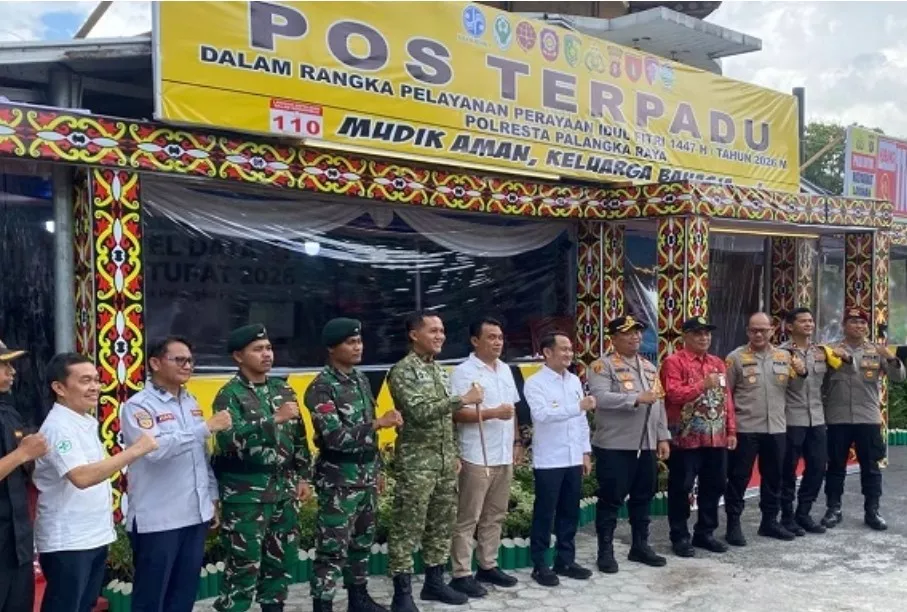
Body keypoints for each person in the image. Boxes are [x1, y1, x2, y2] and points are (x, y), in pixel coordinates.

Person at [34, 352, 158, 612]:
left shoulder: (85, 421)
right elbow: (82, 476)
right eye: (85, 381)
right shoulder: (58, 427)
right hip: (68, 541)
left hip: (93, 536)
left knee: (84, 606)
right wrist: (135, 450)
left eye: (97, 380)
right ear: (59, 388)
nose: (95, 387)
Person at [120, 336, 233, 612]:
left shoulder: (191, 401)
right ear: (155, 363)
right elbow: (154, 450)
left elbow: (200, 456)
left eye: (190, 360)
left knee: (183, 597)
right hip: (159, 519)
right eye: (179, 359)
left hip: (194, 514)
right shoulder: (138, 406)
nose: (187, 366)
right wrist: (204, 428)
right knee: (151, 599)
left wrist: (212, 498)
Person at [211, 324, 312, 612]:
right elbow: (227, 440)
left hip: (282, 491)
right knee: (244, 566)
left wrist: (303, 477)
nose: (266, 354)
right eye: (258, 349)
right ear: (238, 356)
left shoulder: (283, 389)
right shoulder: (228, 394)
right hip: (246, 496)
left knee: (281, 562)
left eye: (268, 348)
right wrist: (272, 421)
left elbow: (299, 437)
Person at [386, 312, 483, 612]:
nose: (440, 336)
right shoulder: (402, 371)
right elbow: (418, 411)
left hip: (442, 463)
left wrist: (452, 453)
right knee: (407, 526)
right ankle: (402, 594)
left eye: (442, 330)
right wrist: (462, 399)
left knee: (441, 525)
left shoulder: (440, 372)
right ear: (414, 335)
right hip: (417, 464)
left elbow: (446, 421)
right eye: (433, 331)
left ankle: (434, 582)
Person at [306, 319, 403, 612]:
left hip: (366, 475)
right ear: (332, 348)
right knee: (332, 549)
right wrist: (378, 423)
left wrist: (379, 470)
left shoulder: (360, 380)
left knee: (361, 542)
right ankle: (322, 604)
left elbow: (369, 440)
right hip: (339, 479)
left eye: (359, 341)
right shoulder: (321, 388)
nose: (357, 347)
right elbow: (334, 437)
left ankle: (358, 599)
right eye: (350, 342)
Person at [587, 316, 670, 574]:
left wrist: (663, 436)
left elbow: (659, 403)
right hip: (615, 444)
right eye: (628, 333)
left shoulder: (648, 367)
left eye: (637, 333)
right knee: (611, 499)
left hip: (645, 444)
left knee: (643, 497)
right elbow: (599, 398)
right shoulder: (602, 366)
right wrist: (634, 398)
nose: (635, 337)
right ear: (613, 338)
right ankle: (606, 551)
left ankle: (640, 545)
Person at [448, 318, 521, 598]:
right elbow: (456, 413)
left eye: (500, 337)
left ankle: (487, 565)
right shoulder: (464, 372)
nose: (497, 342)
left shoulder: (504, 369)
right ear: (475, 341)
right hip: (476, 454)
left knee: (495, 514)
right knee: (468, 517)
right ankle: (461, 573)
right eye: (491, 337)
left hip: (502, 453)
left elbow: (511, 410)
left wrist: (516, 441)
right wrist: (492, 413)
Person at [724, 312, 806, 545]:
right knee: (739, 478)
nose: (758, 334)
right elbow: (725, 395)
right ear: (747, 331)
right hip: (745, 428)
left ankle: (769, 522)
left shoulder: (784, 356)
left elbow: (796, 390)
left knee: (774, 478)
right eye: (753, 330)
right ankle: (733, 525)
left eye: (763, 329)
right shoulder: (736, 358)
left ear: (772, 330)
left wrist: (801, 372)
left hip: (777, 428)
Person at [821, 308, 906, 531]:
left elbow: (899, 378)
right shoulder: (832, 350)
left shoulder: (876, 351)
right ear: (844, 325)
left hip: (867, 417)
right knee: (835, 466)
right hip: (837, 417)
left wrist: (890, 357)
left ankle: (872, 510)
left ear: (867, 327)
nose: (858, 326)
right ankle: (833, 508)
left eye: (862, 322)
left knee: (871, 467)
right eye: (853, 321)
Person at [660, 317, 736, 558]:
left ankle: (705, 532)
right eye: (698, 334)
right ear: (685, 336)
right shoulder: (674, 362)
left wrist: (731, 430)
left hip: (716, 437)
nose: (704, 338)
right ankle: (679, 535)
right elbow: (672, 394)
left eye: (707, 334)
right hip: (686, 437)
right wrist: (702, 385)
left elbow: (727, 399)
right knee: (681, 487)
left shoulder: (717, 363)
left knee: (714, 485)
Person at [523, 332, 595, 587]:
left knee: (569, 511)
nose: (568, 354)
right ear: (547, 352)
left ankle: (566, 559)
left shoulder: (574, 380)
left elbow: (581, 421)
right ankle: (540, 563)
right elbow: (542, 415)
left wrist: (585, 452)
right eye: (563, 349)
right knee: (545, 512)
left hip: (573, 456)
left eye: (570, 350)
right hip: (550, 459)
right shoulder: (535, 383)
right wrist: (578, 407)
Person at [779, 308, 840, 536]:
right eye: (803, 321)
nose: (809, 324)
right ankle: (786, 516)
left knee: (817, 466)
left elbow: (831, 383)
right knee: (788, 469)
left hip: (817, 418)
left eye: (811, 320)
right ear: (790, 326)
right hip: (792, 418)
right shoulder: (781, 354)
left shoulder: (821, 352)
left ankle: (803, 513)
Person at [0, 340, 48, 612]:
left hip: (16, 542)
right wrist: (22, 454)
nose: (12, 371)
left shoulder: (8, 409)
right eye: (4, 364)